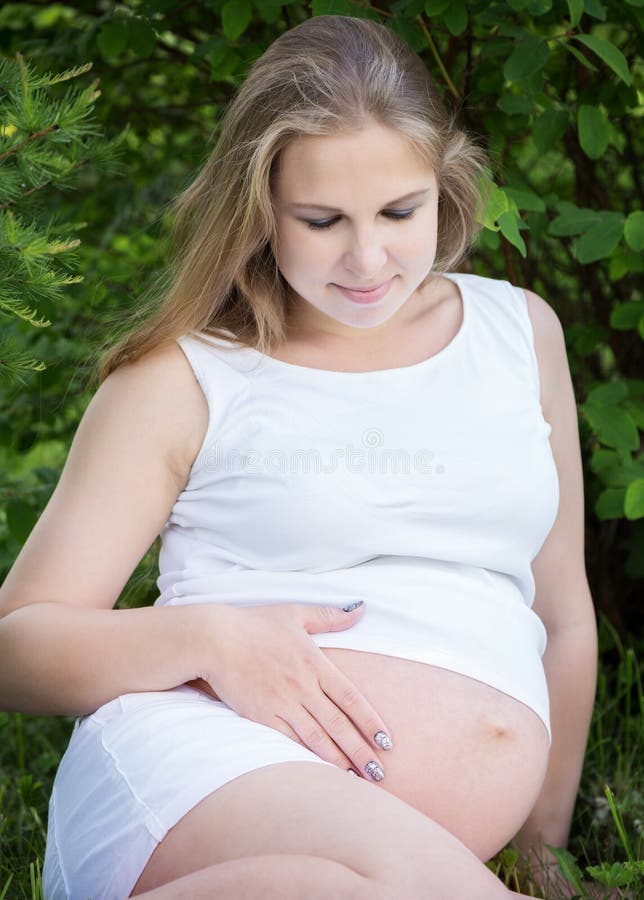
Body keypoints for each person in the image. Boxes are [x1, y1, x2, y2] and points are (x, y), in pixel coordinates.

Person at [0, 14, 598, 900]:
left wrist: (544, 854)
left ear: (447, 184)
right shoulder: (185, 376)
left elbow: (564, 615)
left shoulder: (519, 334)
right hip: (197, 775)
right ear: (260, 211)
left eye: (401, 211)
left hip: (369, 854)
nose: (368, 258)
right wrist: (213, 638)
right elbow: (16, 647)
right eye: (321, 220)